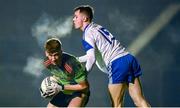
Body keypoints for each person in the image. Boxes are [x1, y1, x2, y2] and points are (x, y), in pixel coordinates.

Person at [72, 5, 150, 107]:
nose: (73, 19)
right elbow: (93, 54)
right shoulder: (97, 27)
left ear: (85, 18)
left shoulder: (88, 34)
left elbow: (91, 58)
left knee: (116, 105)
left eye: (76, 16)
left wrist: (82, 77)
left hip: (117, 64)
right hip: (128, 58)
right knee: (139, 100)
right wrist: (76, 60)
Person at [40, 37, 90, 107]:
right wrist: (49, 85)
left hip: (79, 92)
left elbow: (84, 86)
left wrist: (61, 87)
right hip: (64, 91)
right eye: (50, 55)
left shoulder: (72, 64)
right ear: (46, 53)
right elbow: (59, 75)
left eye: (56, 55)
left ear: (61, 52)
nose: (53, 59)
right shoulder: (47, 63)